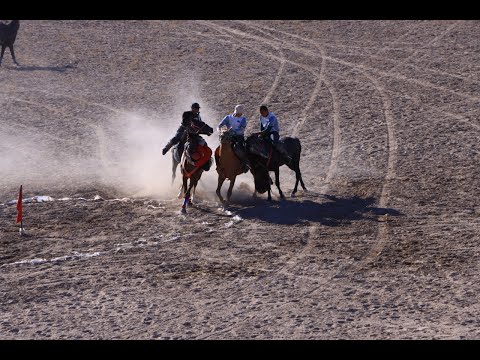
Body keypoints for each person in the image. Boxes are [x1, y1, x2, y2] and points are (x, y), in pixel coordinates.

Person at [162, 102, 212, 167]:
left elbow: (200, 124)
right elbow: (187, 123)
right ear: (192, 108)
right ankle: (167, 148)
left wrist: (206, 131)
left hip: (193, 132)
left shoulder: (198, 116)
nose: (197, 110)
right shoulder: (186, 114)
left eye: (198, 108)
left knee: (202, 142)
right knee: (177, 138)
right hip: (184, 129)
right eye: (196, 108)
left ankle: (205, 159)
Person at [217, 104, 251, 172]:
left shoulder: (243, 119)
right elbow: (219, 125)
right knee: (218, 150)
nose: (240, 115)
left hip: (238, 137)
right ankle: (218, 164)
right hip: (228, 137)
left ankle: (245, 164)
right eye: (239, 113)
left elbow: (242, 130)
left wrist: (233, 131)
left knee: (240, 149)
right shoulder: (228, 117)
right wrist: (220, 130)